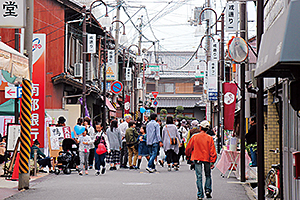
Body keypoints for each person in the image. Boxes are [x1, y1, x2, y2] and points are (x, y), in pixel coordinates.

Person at [186, 120, 217, 200]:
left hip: (197, 157)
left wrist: (188, 155)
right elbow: (212, 151)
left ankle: (200, 194)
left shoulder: (195, 137)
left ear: (200, 127)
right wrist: (213, 161)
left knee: (199, 176)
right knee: (208, 175)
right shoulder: (209, 138)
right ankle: (208, 190)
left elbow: (189, 148)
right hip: (207, 158)